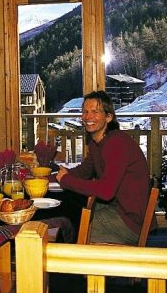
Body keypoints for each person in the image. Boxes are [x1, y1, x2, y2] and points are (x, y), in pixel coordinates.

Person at [56, 90, 153, 245]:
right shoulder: (97, 142)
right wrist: (52, 177)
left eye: (95, 112)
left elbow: (106, 191)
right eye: (85, 112)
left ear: (109, 117)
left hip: (129, 221)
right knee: (73, 210)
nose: (88, 117)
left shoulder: (116, 143)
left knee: (74, 229)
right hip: (117, 207)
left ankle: (74, 263)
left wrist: (66, 180)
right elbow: (84, 171)